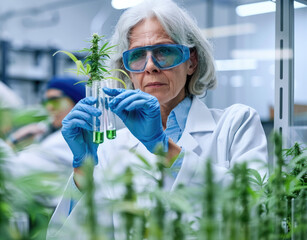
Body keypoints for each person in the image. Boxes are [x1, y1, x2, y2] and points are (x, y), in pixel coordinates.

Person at [47, 0, 268, 238]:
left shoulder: (236, 124)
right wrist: (83, 173)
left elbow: (258, 210)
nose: (150, 66)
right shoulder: (112, 146)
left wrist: (164, 149)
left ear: (191, 61)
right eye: (138, 56)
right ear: (127, 70)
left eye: (164, 52)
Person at [12, 77, 85, 178]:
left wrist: (12, 141)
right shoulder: (53, 135)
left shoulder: (68, 139)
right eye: (47, 102)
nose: (49, 107)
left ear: (77, 103)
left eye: (55, 101)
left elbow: (17, 168)